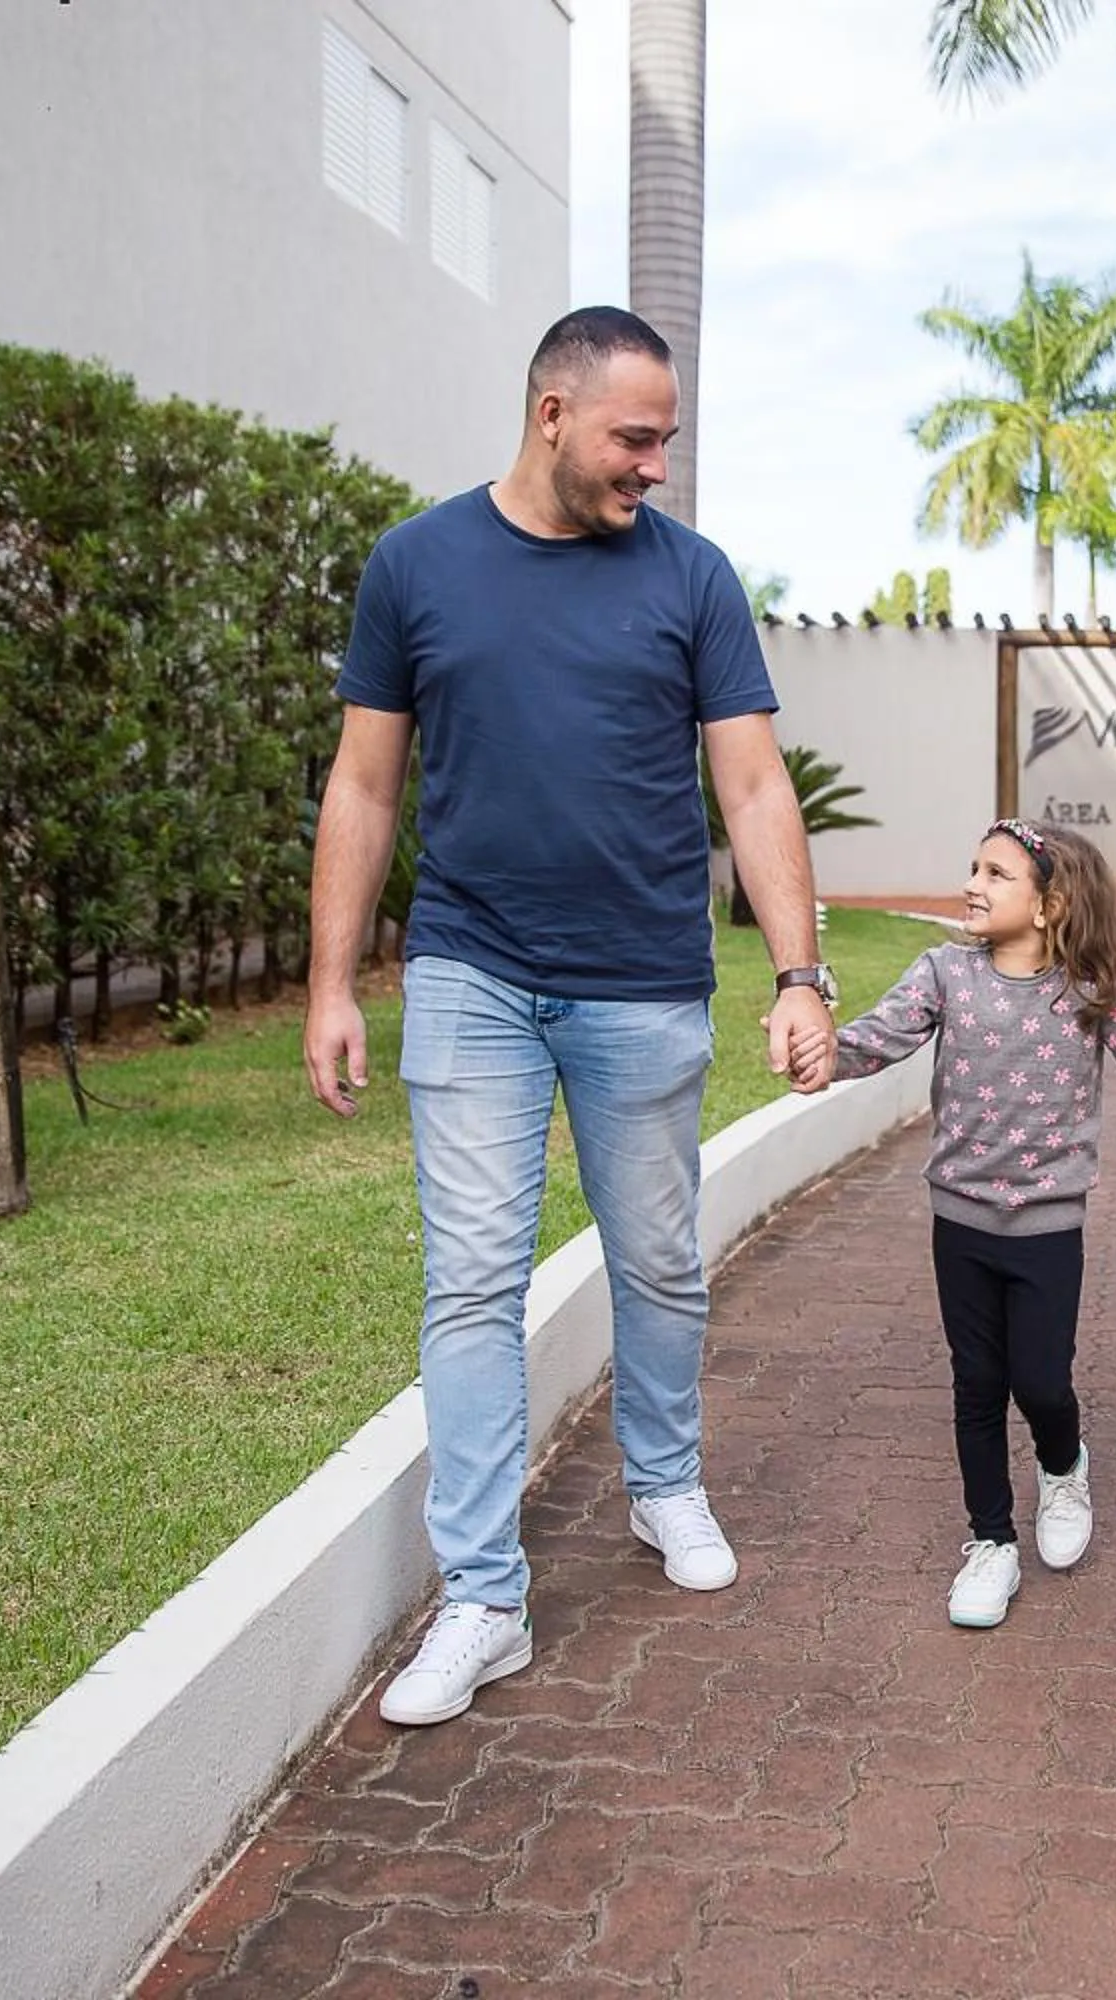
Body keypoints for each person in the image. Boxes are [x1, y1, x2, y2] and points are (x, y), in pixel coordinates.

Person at [304, 307, 839, 1728]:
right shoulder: (417, 567)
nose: (654, 465)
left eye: (665, 438)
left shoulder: (693, 580)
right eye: (634, 436)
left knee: (658, 1262)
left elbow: (754, 788)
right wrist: (330, 983)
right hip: (472, 973)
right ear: (552, 414)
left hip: (644, 980)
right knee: (471, 1281)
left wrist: (800, 973)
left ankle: (665, 1486)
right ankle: (484, 1596)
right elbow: (363, 786)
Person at [797, 821, 1116, 1628]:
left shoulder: (1094, 988)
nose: (972, 884)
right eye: (972, 866)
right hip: (961, 1221)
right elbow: (878, 1038)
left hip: (1048, 1227)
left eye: (996, 873)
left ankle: (1063, 1464)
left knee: (1042, 1382)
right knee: (977, 1384)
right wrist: (824, 1056)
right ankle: (991, 1542)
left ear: (1050, 904)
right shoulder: (945, 973)